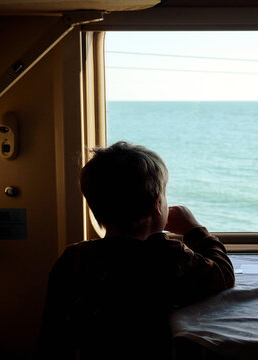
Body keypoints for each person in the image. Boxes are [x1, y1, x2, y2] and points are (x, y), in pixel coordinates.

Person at [35, 141, 235, 359]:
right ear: (158, 205)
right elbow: (222, 274)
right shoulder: (167, 256)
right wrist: (194, 230)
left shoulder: (73, 258)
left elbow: (51, 334)